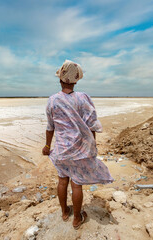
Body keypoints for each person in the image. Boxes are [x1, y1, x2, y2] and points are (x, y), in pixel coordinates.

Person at [42, 60, 114, 230]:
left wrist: (47, 146)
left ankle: (65, 213)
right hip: (79, 149)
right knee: (76, 183)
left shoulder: (52, 100)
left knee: (62, 181)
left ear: (60, 79)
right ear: (76, 80)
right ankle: (77, 218)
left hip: (61, 150)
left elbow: (50, 127)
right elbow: (92, 125)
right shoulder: (82, 98)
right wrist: (92, 145)